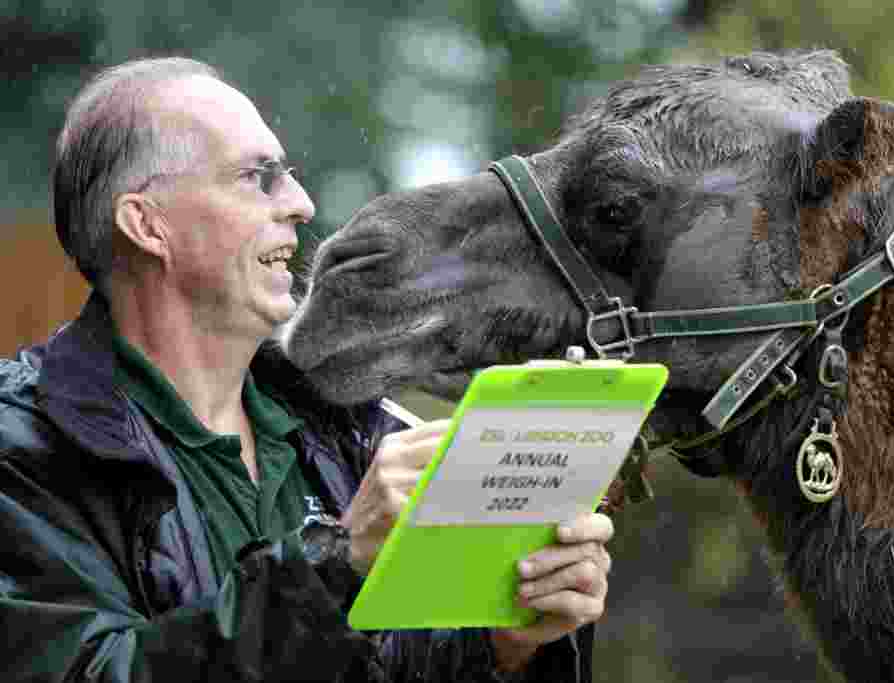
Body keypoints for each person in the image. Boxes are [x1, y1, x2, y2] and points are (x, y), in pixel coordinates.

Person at [0, 57, 612, 682]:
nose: (300, 203)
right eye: (255, 177)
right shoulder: (24, 453)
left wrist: (506, 647)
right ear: (147, 224)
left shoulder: (359, 434)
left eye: (287, 175)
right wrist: (337, 564)